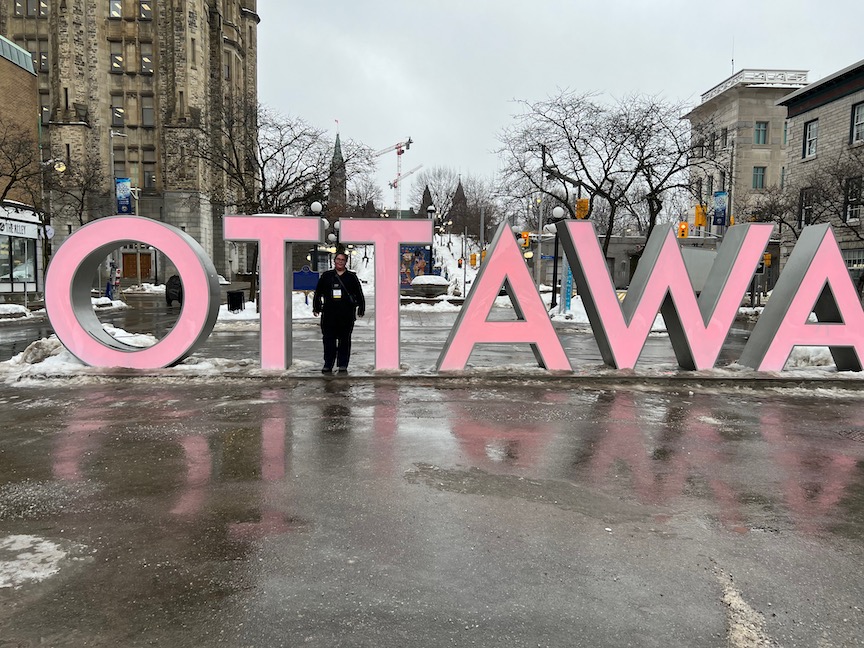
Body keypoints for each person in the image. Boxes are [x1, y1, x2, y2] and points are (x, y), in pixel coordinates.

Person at [313, 252, 365, 374]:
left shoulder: (351, 277)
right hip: (329, 314)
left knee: (344, 341)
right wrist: (317, 307)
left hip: (346, 315)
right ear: (334, 261)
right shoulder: (327, 276)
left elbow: (359, 293)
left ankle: (343, 364)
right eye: (338, 259)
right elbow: (318, 292)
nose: (340, 261)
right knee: (328, 341)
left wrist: (361, 308)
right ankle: (328, 363)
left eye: (342, 260)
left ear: (345, 262)